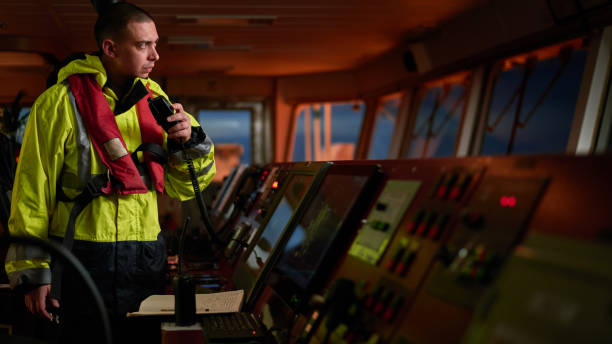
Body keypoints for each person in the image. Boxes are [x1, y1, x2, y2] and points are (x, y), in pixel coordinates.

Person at [4, 2, 215, 343]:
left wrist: (189, 142)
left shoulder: (157, 100)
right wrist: (33, 275)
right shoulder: (58, 104)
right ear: (110, 48)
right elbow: (31, 191)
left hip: (144, 259)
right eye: (143, 45)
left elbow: (184, 187)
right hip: (80, 259)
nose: (155, 55)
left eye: (155, 44)